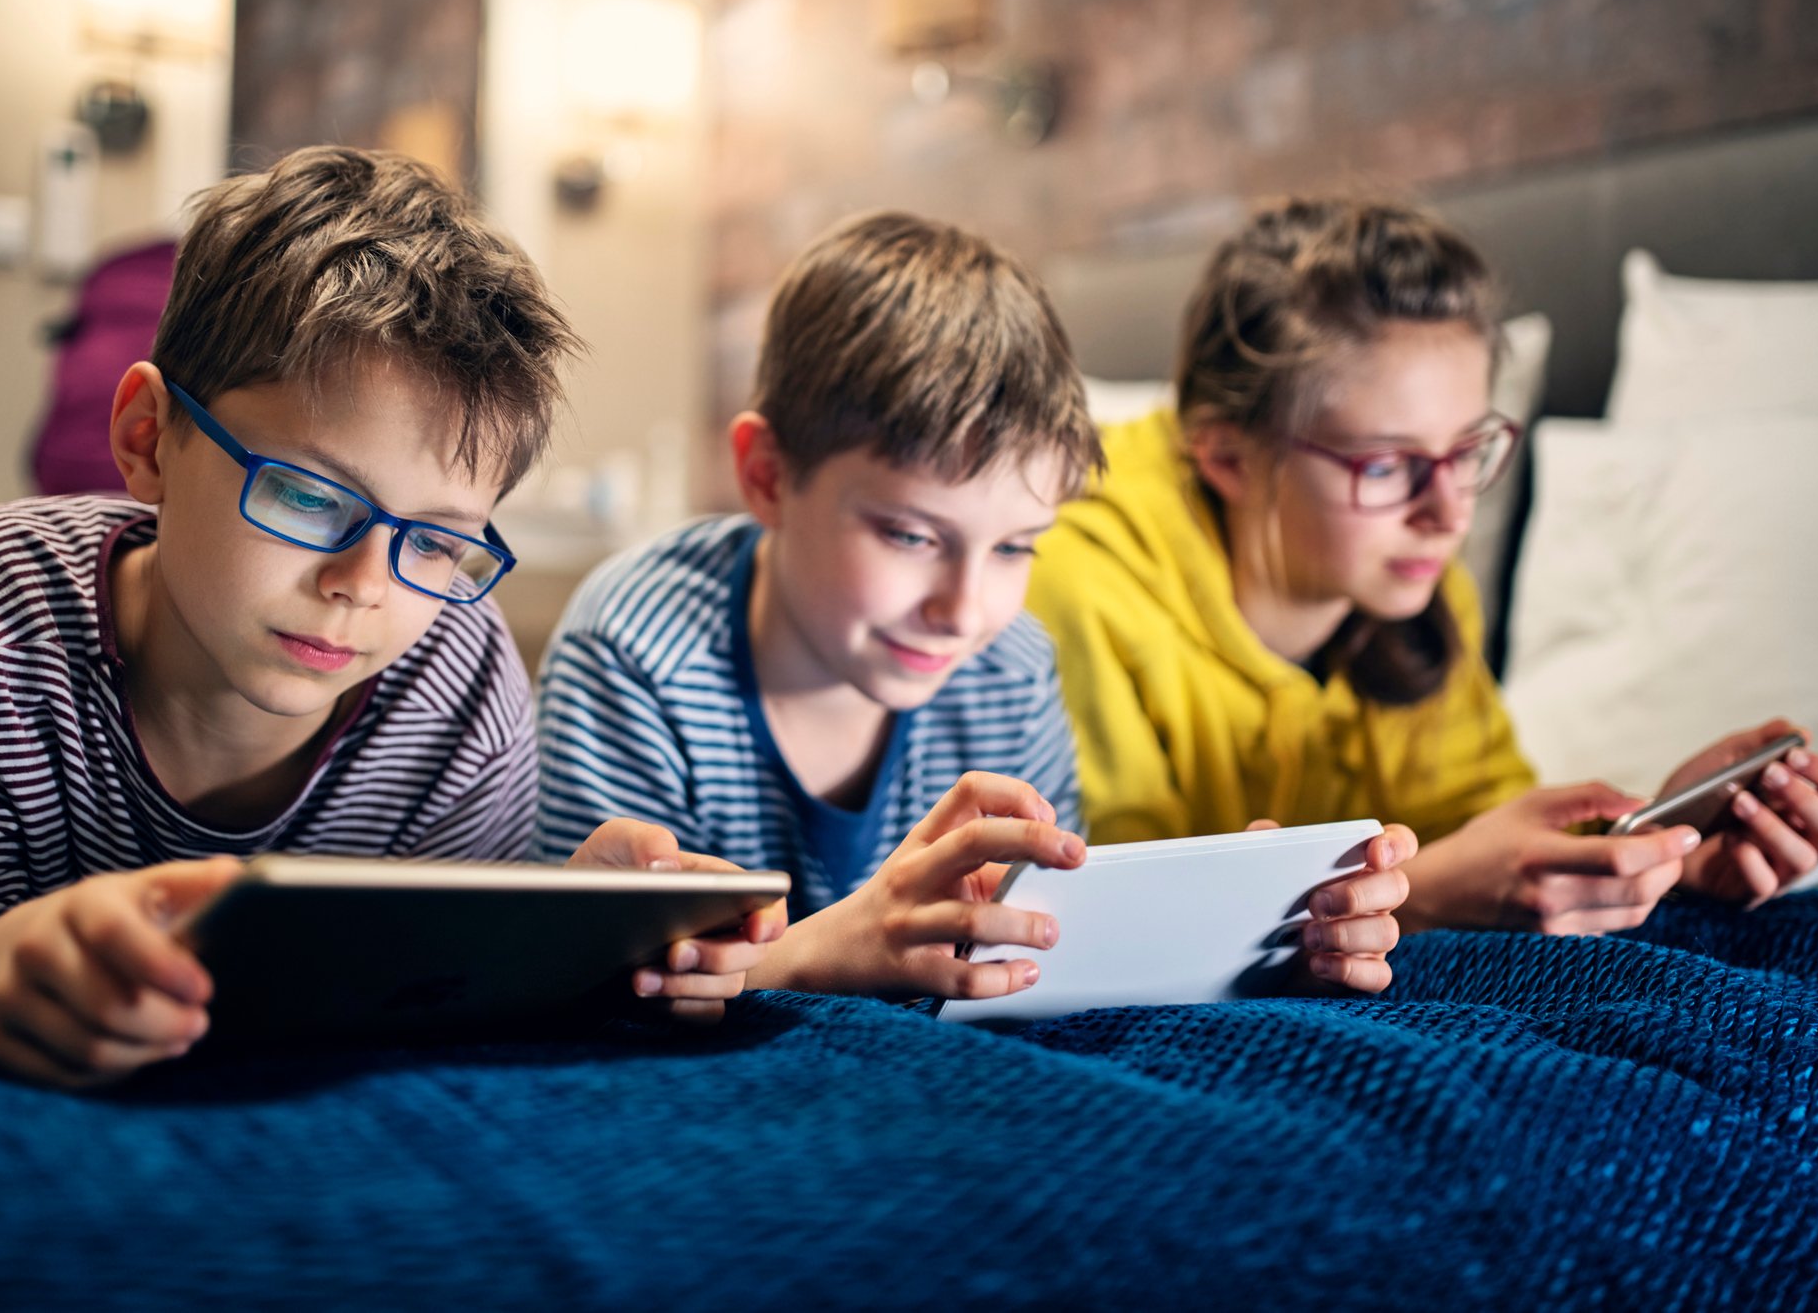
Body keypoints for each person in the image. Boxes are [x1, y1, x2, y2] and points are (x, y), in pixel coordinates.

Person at [0, 146, 782, 1086]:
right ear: (148, 439)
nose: (363, 583)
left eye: (438, 542)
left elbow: (426, 1000)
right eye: (310, 498)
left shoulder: (461, 682)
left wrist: (577, 938)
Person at [536, 211, 1416, 999]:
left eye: (1014, 546)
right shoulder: (638, 647)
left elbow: (1021, 951)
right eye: (909, 536)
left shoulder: (1010, 665)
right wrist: (823, 951)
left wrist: (1249, 942)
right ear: (768, 476)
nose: (964, 609)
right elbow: (587, 988)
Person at [1026, 196, 1818, 935]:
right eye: (1386, 465)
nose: (1450, 514)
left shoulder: (1417, 589)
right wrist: (1421, 897)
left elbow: (1475, 828)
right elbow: (1103, 920)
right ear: (1227, 458)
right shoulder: (1068, 580)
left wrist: (1656, 848)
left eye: (1467, 451)